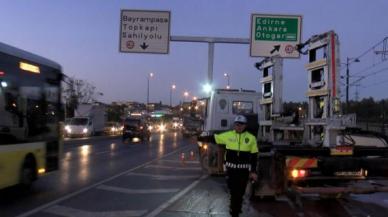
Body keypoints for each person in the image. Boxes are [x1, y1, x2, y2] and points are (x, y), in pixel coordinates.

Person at [214, 115, 259, 217]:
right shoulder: (228, 135)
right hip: (231, 171)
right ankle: (234, 212)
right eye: (237, 124)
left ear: (245, 125)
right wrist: (198, 137)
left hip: (243, 172)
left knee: (240, 194)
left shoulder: (251, 138)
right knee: (234, 193)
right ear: (234, 125)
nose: (238, 126)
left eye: (241, 124)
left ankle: (236, 210)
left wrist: (253, 171)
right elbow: (214, 138)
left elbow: (254, 156)